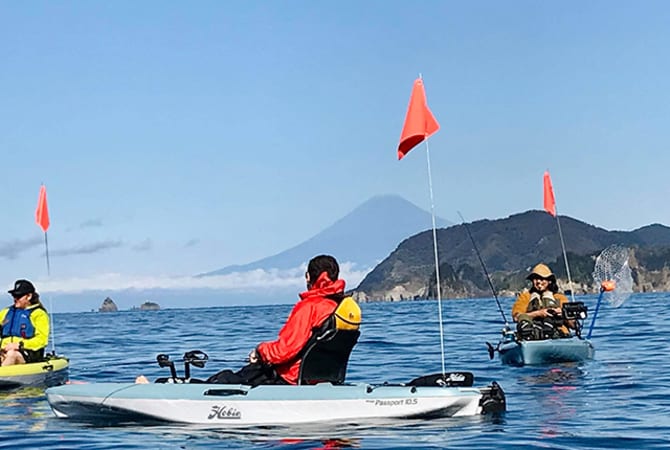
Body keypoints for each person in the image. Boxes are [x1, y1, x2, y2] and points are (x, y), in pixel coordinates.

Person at [136, 254, 349, 385]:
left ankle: (162, 389)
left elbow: (285, 351)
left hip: (287, 378)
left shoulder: (310, 307)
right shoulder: (338, 307)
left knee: (226, 379)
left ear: (310, 278)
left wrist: (260, 351)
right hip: (318, 379)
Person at [511, 263, 570, 340]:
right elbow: (516, 317)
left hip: (559, 334)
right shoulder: (525, 297)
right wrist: (538, 313)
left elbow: (573, 324)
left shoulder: (560, 298)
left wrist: (562, 314)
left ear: (549, 281)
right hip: (532, 334)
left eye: (542, 278)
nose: (538, 281)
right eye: (535, 279)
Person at [0, 279, 49, 366]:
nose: (15, 299)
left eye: (18, 296)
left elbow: (42, 340)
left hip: (28, 354)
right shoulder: (6, 312)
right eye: (14, 296)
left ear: (29, 296)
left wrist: (19, 345)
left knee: (12, 354)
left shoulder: (39, 314)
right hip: (4, 352)